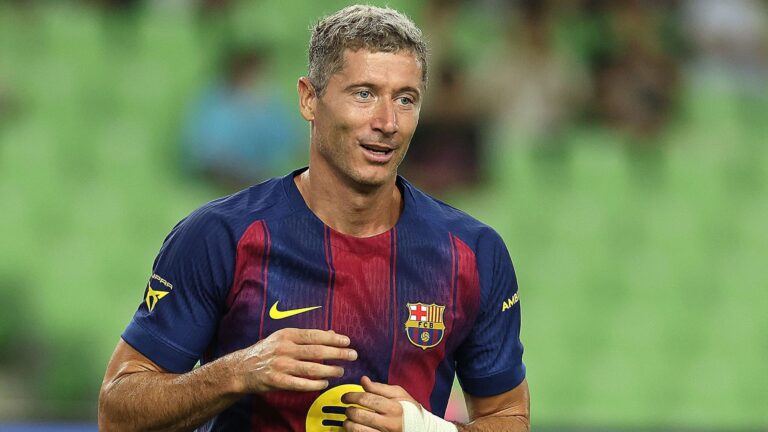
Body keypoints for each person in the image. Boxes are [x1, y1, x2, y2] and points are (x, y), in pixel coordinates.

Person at [98, 5, 529, 431]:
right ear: (309, 99)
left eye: (405, 99)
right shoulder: (222, 236)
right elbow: (117, 413)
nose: (388, 122)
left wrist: (425, 429)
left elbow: (508, 417)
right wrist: (237, 371)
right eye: (364, 94)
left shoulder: (472, 254)